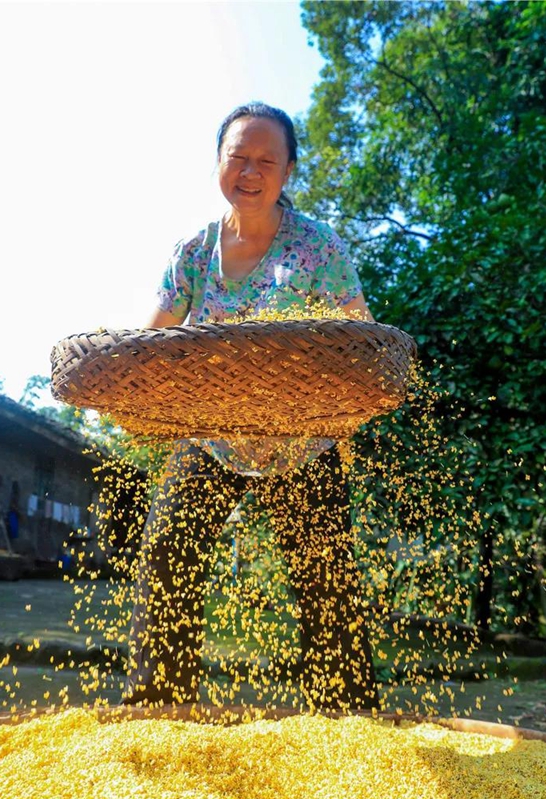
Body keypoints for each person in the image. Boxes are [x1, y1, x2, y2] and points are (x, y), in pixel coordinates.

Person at [121, 102, 379, 711]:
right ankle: (159, 708)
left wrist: (343, 422)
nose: (251, 170)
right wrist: (130, 392)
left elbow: (359, 342)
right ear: (218, 162)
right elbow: (152, 345)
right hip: (211, 435)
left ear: (289, 170)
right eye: (238, 156)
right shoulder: (193, 251)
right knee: (166, 556)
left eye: (267, 159)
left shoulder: (319, 248)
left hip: (300, 438)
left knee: (326, 581)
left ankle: (348, 721)